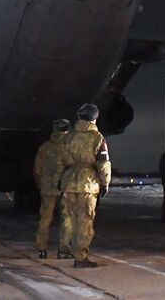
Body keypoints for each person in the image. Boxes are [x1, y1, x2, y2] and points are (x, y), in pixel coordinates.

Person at [55, 103, 111, 268]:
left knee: (69, 220)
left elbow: (60, 161)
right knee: (85, 222)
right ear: (95, 118)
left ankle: (65, 249)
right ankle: (80, 258)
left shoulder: (68, 137)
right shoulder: (98, 138)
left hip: (69, 182)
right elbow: (103, 163)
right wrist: (105, 183)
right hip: (88, 184)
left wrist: (60, 180)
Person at [33, 118, 71, 258]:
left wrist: (40, 184)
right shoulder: (70, 146)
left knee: (45, 219)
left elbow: (37, 170)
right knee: (67, 219)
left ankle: (41, 249)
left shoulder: (45, 147)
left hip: (47, 187)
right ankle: (64, 250)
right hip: (66, 187)